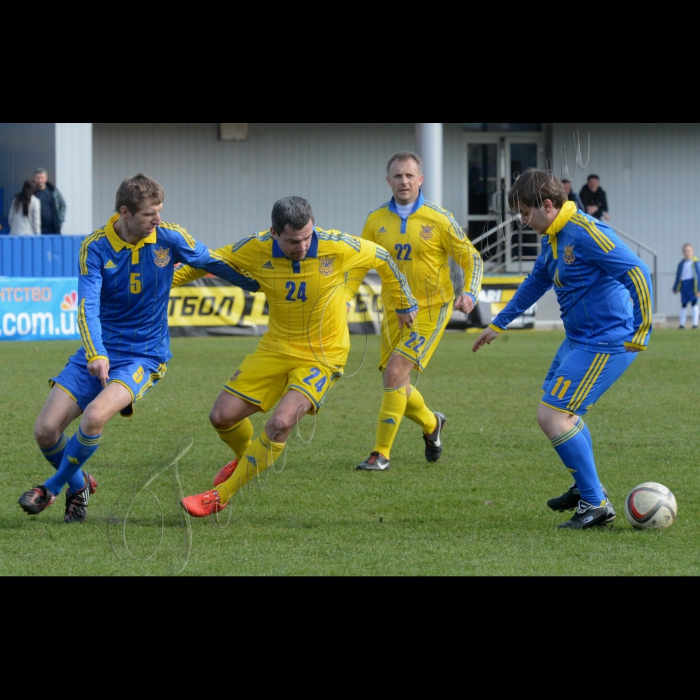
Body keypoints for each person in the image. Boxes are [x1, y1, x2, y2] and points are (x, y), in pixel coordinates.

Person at [17, 173, 260, 523]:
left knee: (95, 416)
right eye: (150, 214)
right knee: (45, 431)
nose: (157, 220)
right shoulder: (95, 246)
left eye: (160, 211)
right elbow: (87, 306)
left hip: (144, 355)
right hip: (99, 351)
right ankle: (79, 483)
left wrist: (258, 285)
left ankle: (51, 489)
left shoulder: (169, 237)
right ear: (125, 212)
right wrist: (97, 354)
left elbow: (211, 262)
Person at [177, 196, 418, 518]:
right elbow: (206, 262)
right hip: (275, 347)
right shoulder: (255, 247)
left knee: (281, 422)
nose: (302, 246)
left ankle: (220, 495)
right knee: (221, 417)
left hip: (323, 354)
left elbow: (383, 257)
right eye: (293, 241)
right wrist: (158, 285)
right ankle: (247, 459)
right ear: (274, 233)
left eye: (307, 237)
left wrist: (403, 301)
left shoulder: (338, 245)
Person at [472, 168, 653, 530]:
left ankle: (596, 504)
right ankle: (588, 488)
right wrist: (498, 322)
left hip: (606, 339)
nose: (523, 221)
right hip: (578, 339)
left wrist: (642, 328)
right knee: (563, 415)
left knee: (552, 416)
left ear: (549, 205)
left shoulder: (586, 232)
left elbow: (638, 271)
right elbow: (537, 279)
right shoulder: (553, 235)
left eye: (525, 213)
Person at [354, 151, 484, 472]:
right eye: (398, 176)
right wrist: (343, 294)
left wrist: (469, 292)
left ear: (420, 179)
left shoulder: (439, 218)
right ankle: (431, 423)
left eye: (410, 175)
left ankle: (380, 452)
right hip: (392, 311)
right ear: (389, 181)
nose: (404, 181)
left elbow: (472, 258)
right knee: (396, 382)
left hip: (429, 309)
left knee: (395, 374)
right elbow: (357, 263)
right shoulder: (375, 220)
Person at [672, 243, 700, 329]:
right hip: (684, 284)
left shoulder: (696, 263)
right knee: (683, 304)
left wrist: (698, 289)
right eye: (685, 251)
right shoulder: (681, 264)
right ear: (683, 252)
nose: (687, 252)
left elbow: (699, 276)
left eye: (688, 250)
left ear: (692, 251)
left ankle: (695, 324)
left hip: (693, 285)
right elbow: (678, 276)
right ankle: (682, 324)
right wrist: (675, 287)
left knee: (694, 303)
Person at [32, 167, 66, 234]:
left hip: (53, 228)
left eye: (42, 177)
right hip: (36, 228)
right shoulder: (31, 193)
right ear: (34, 179)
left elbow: (62, 204)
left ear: (46, 178)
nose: (40, 180)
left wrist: (60, 219)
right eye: (37, 178)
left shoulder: (53, 191)